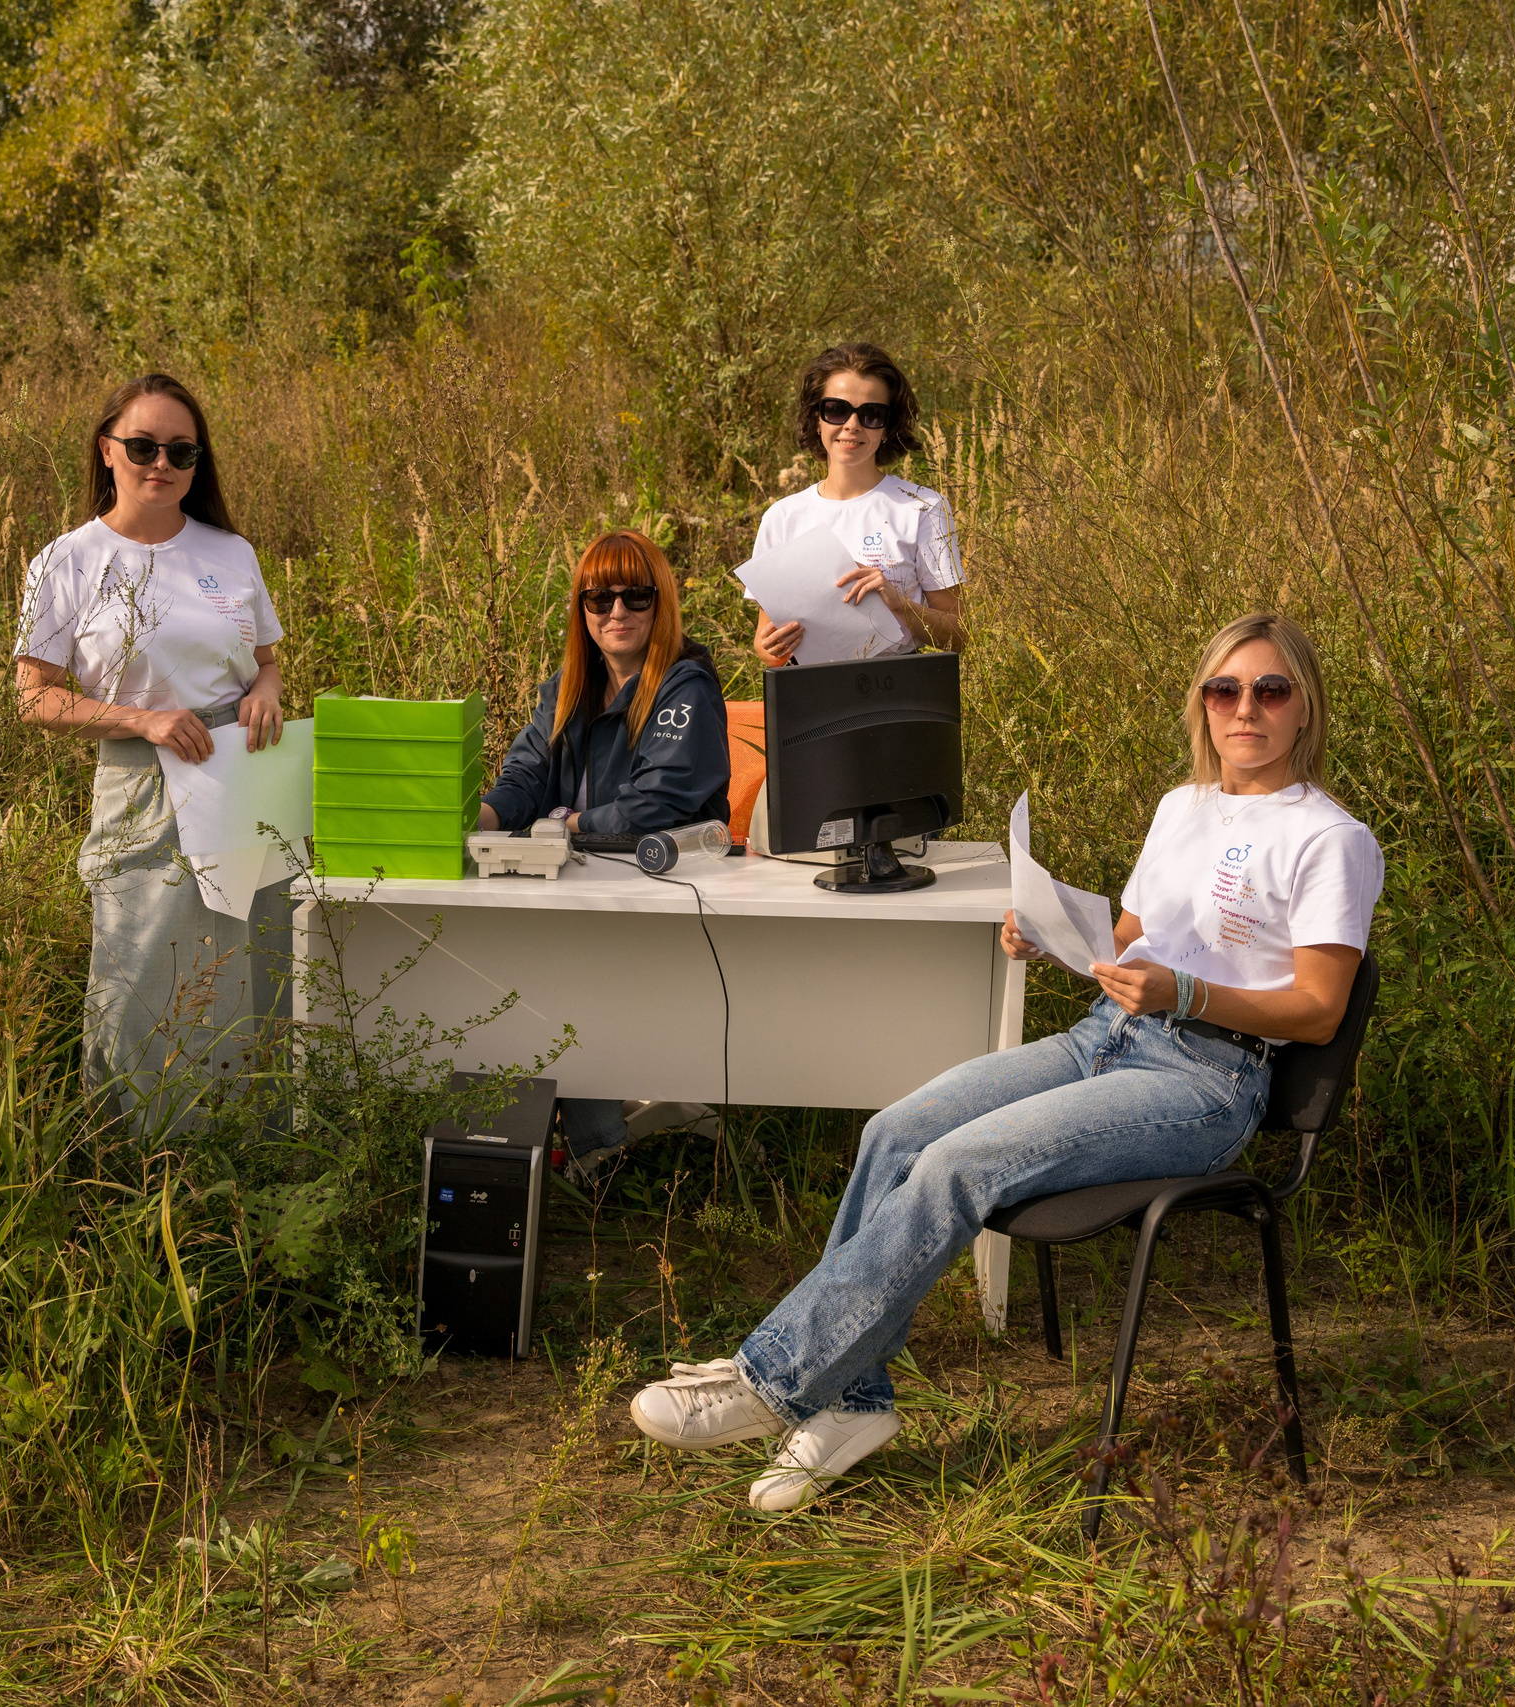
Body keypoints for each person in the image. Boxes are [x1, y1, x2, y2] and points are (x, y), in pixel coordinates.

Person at [628, 612, 1384, 1511]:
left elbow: (1318, 1006)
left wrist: (1187, 996)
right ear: (1203, 704)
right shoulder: (1184, 808)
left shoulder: (1332, 839)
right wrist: (1057, 933)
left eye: (1270, 690)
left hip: (1206, 1081)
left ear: (1305, 708)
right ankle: (857, 1403)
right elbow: (1136, 938)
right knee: (897, 1130)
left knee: (958, 1163)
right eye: (1225, 689)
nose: (1245, 709)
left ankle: (770, 1381)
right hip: (1105, 1036)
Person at [14, 373, 290, 1137]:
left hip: (243, 779)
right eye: (141, 446)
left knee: (251, 973)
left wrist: (265, 690)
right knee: (142, 974)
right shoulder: (67, 561)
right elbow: (33, 696)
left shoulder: (230, 551)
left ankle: (250, 1155)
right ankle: (139, 1164)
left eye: (180, 450)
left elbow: (264, 659)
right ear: (107, 451)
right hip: (141, 786)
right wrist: (143, 720)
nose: (159, 462)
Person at [479, 529, 733, 1182]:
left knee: (553, 971)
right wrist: (481, 817)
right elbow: (525, 775)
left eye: (635, 595)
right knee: (514, 961)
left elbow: (658, 803)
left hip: (667, 898)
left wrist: (562, 826)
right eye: (598, 598)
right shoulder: (568, 685)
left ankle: (601, 1157)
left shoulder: (686, 686)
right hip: (582, 893)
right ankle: (566, 1148)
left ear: (661, 602)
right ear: (581, 610)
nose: (616, 611)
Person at [750, 343, 966, 667]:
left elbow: (958, 635)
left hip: (897, 686)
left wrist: (899, 604)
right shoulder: (782, 517)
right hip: (809, 691)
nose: (852, 425)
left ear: (888, 427)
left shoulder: (923, 507)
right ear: (817, 418)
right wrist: (773, 647)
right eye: (836, 409)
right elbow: (766, 648)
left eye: (871, 414)